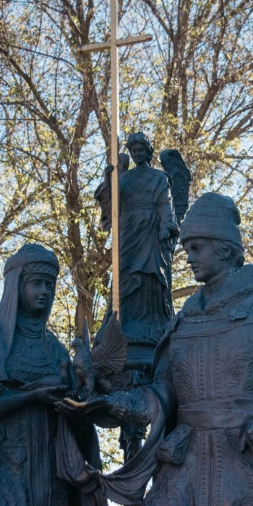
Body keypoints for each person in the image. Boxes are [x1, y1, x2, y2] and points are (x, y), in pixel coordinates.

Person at [60, 193, 253, 506]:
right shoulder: (183, 321)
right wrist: (110, 403)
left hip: (246, 464)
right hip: (184, 465)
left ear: (224, 247)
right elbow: (162, 396)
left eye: (197, 248)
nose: (189, 258)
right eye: (186, 249)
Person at [0, 244, 109, 506]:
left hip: (53, 478)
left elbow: (77, 425)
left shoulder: (57, 351)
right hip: (3, 474)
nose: (45, 291)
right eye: (37, 283)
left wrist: (79, 408)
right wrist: (29, 396)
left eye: (50, 285)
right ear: (16, 287)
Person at [94, 132, 180, 372]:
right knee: (124, 274)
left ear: (148, 152)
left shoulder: (159, 178)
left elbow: (165, 204)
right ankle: (123, 324)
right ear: (130, 154)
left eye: (141, 150)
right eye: (133, 151)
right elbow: (111, 204)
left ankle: (151, 326)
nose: (137, 154)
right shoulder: (125, 178)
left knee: (152, 273)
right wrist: (109, 178)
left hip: (151, 230)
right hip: (129, 230)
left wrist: (166, 225)